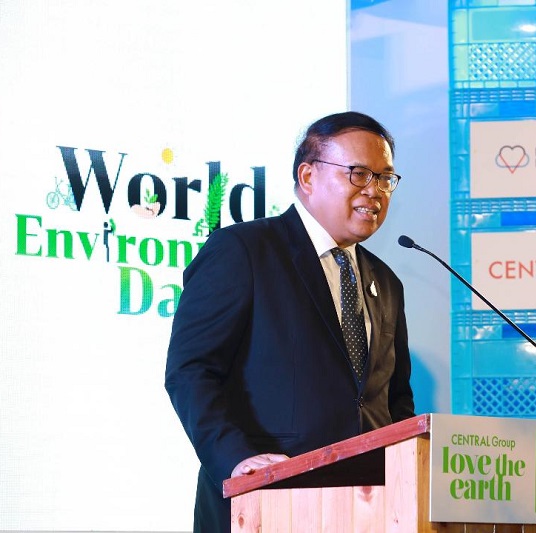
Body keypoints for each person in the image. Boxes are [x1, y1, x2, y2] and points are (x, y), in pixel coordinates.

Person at [165, 111, 416, 532]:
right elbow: (191, 371)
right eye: (359, 174)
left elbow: (394, 401)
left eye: (385, 178)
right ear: (308, 176)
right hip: (264, 502)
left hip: (367, 510)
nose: (374, 191)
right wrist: (236, 459)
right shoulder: (243, 250)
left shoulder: (386, 281)